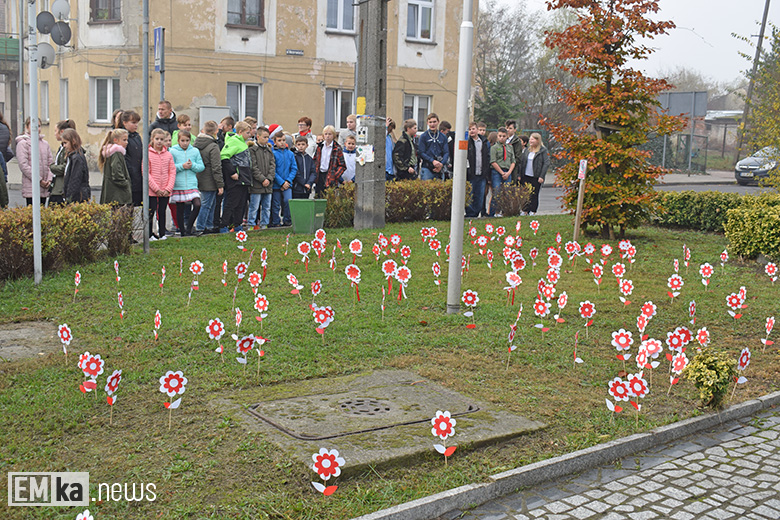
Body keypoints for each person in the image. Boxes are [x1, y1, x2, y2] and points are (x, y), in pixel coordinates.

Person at [220, 121, 253, 232]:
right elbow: (224, 157)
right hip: (236, 179)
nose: (250, 135)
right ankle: (224, 225)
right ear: (240, 132)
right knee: (232, 203)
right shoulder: (234, 141)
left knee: (241, 204)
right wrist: (232, 172)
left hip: (244, 178)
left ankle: (237, 225)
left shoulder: (243, 143)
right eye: (247, 133)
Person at [170, 130, 205, 236]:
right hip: (178, 184)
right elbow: (171, 167)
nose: (185, 143)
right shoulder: (173, 151)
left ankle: (189, 228)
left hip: (191, 184)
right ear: (178, 141)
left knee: (197, 204)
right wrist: (182, 166)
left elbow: (201, 166)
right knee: (180, 209)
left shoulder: (195, 151)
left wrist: (192, 165)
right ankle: (182, 232)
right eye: (182, 140)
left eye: (187, 140)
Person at [193, 120, 223, 234]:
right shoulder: (213, 146)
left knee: (209, 203)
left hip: (199, 178)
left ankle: (209, 226)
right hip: (210, 180)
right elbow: (216, 167)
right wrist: (220, 184)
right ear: (216, 131)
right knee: (207, 205)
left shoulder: (196, 143)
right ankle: (201, 227)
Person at [17, 118, 53, 206]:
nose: (37, 128)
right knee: (32, 214)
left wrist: (49, 179)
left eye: (39, 126)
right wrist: (39, 180)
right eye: (34, 126)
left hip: (44, 187)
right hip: (31, 187)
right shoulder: (23, 143)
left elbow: (51, 163)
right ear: (27, 127)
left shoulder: (45, 144)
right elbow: (23, 165)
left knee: (42, 214)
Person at [148, 128, 176, 240]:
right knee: (151, 212)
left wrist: (168, 188)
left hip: (165, 189)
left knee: (162, 211)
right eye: (157, 139)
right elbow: (146, 173)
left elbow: (172, 172)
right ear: (152, 139)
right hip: (153, 190)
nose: (159, 141)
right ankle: (150, 234)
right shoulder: (148, 154)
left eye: (161, 139)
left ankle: (162, 233)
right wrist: (156, 189)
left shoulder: (168, 155)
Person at [247, 126, 275, 230]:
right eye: (264, 137)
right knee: (254, 206)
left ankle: (264, 224)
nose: (266, 139)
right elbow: (253, 167)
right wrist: (262, 179)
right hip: (257, 184)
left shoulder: (269, 150)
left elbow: (273, 165)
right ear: (258, 137)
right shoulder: (252, 150)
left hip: (268, 184)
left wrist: (269, 178)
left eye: (268, 137)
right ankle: (251, 224)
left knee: (266, 207)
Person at [98, 128, 132, 205]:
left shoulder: (110, 152)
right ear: (115, 140)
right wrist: (125, 183)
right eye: (124, 140)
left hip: (112, 192)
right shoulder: (117, 153)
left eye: (127, 140)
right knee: (118, 214)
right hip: (117, 193)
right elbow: (116, 172)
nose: (126, 142)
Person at [519, 132, 550, 216]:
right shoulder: (527, 150)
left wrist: (541, 176)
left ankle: (533, 210)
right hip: (526, 175)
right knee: (525, 194)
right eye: (530, 139)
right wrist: (520, 175)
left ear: (537, 140)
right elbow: (522, 162)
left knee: (534, 194)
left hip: (536, 176)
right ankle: (525, 210)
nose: (530, 141)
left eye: (532, 139)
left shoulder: (542, 150)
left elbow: (546, 163)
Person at [270, 131, 297, 227]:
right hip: (276, 184)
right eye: (279, 140)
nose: (282, 142)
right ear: (275, 142)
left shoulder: (290, 154)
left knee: (287, 201)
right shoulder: (273, 153)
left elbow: (294, 168)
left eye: (283, 140)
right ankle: (276, 221)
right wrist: (281, 182)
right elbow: (273, 170)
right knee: (276, 203)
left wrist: (288, 181)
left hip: (287, 184)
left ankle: (287, 220)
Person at [488, 127, 516, 217]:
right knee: (497, 192)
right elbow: (493, 161)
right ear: (497, 136)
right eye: (500, 136)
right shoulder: (494, 148)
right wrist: (501, 173)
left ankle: (504, 212)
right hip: (497, 172)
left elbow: (513, 161)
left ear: (507, 136)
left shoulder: (510, 147)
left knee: (507, 193)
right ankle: (493, 213)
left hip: (508, 172)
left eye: (504, 136)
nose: (502, 138)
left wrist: (508, 173)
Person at [119, 111, 144, 207]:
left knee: (138, 205)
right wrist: (130, 170)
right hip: (129, 176)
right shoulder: (123, 137)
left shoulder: (137, 136)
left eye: (137, 123)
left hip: (138, 176)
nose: (136, 125)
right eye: (133, 123)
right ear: (124, 123)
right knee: (128, 207)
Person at [49, 119, 77, 205]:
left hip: (61, 188)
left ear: (62, 132)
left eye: (55, 131)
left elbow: (65, 167)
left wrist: (53, 167)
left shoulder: (68, 149)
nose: (54, 134)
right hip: (57, 186)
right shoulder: (62, 147)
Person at [312, 125, 346, 195]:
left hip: (331, 175)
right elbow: (314, 160)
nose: (327, 136)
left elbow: (342, 165)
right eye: (326, 134)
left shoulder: (337, 148)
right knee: (318, 196)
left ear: (333, 136)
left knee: (329, 197)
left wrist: (335, 175)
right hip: (319, 175)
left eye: (330, 134)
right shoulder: (319, 146)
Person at [465, 122, 490, 218]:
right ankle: (470, 214)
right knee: (470, 195)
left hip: (481, 174)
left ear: (477, 130)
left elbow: (487, 157)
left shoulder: (484, 142)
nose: (471, 131)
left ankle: (476, 213)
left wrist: (486, 172)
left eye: (473, 129)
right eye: (469, 129)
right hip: (471, 174)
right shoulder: (467, 142)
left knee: (480, 196)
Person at [61, 129, 91, 204]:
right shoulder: (73, 156)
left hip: (78, 197)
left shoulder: (77, 158)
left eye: (65, 143)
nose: (64, 146)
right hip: (78, 195)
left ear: (73, 141)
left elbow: (75, 180)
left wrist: (69, 198)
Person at [418, 113, 450, 181]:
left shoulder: (443, 137)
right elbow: (421, 152)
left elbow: (446, 152)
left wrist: (441, 164)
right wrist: (432, 161)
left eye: (434, 122)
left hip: (440, 168)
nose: (432, 124)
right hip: (427, 168)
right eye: (430, 122)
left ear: (438, 122)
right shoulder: (423, 136)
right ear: (427, 123)